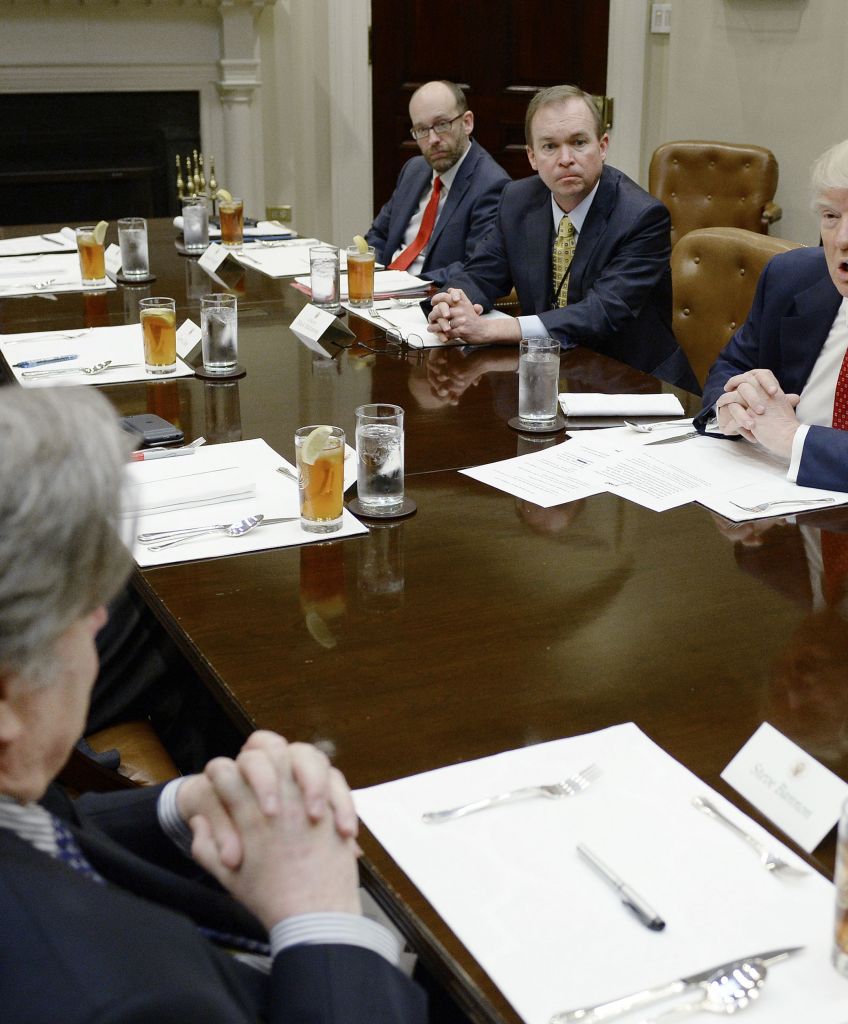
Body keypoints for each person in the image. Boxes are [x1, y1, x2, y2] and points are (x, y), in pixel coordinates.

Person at [0, 387, 426, 1024]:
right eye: (83, 615)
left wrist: (183, 806)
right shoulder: (117, 1000)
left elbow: (44, 834)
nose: (99, 620)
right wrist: (323, 920)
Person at [425, 84, 697, 391]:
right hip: (550, 374)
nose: (565, 158)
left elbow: (601, 312)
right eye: (550, 147)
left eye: (578, 142)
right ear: (532, 156)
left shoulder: (641, 217)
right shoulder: (517, 200)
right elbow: (482, 272)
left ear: (603, 146)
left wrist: (493, 329)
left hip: (634, 383)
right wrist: (452, 303)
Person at [694, 137, 848, 492]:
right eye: (830, 216)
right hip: (773, 509)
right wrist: (732, 406)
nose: (841, 239)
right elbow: (732, 366)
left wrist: (794, 439)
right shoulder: (791, 277)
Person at [366, 80, 510, 287]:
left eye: (442, 124)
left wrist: (405, 285)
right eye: (422, 130)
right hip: (383, 291)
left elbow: (475, 267)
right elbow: (378, 235)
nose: (433, 139)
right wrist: (373, 275)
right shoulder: (414, 170)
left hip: (429, 297)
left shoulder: (492, 185)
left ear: (467, 122)